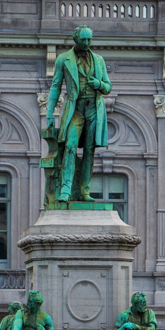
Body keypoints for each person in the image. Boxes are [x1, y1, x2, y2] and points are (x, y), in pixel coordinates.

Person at [46, 25, 111, 202]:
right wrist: (50, 112)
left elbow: (108, 87)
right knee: (70, 146)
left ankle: (85, 190)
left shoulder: (99, 60)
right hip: (75, 109)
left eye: (90, 39)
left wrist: (99, 84)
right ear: (76, 39)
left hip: (93, 109)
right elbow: (56, 86)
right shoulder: (63, 59)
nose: (87, 43)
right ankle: (66, 188)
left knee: (90, 150)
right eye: (84, 40)